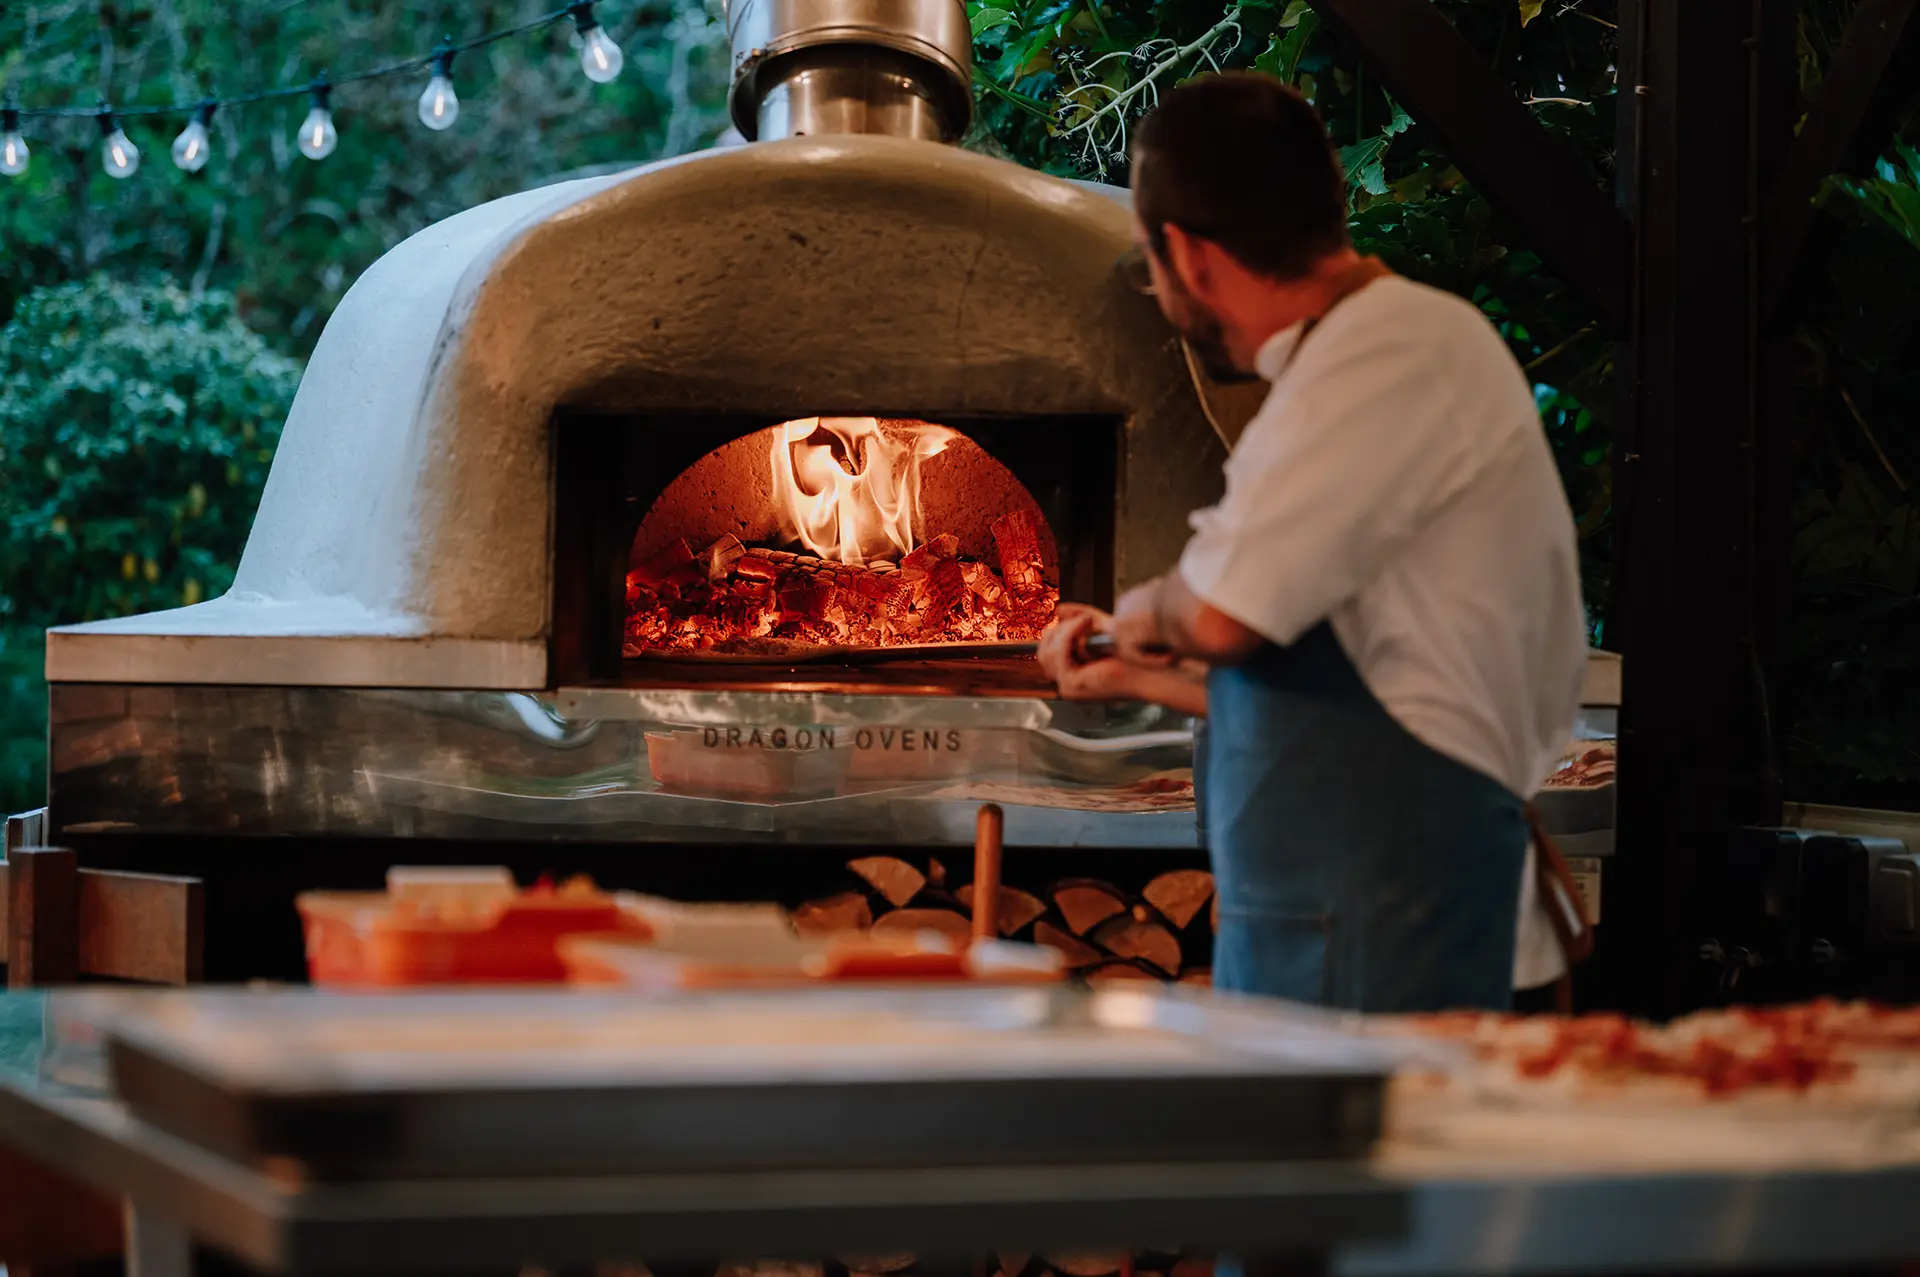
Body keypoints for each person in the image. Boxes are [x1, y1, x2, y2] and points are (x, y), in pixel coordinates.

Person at [1038, 71, 1587, 1014]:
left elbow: (1220, 612)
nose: (1162, 293)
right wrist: (1131, 676)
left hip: (1403, 919)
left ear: (1188, 256)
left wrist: (1141, 611)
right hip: (1347, 911)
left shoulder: (1386, 354)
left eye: (1149, 267)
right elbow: (1363, 684)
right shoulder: (1365, 359)